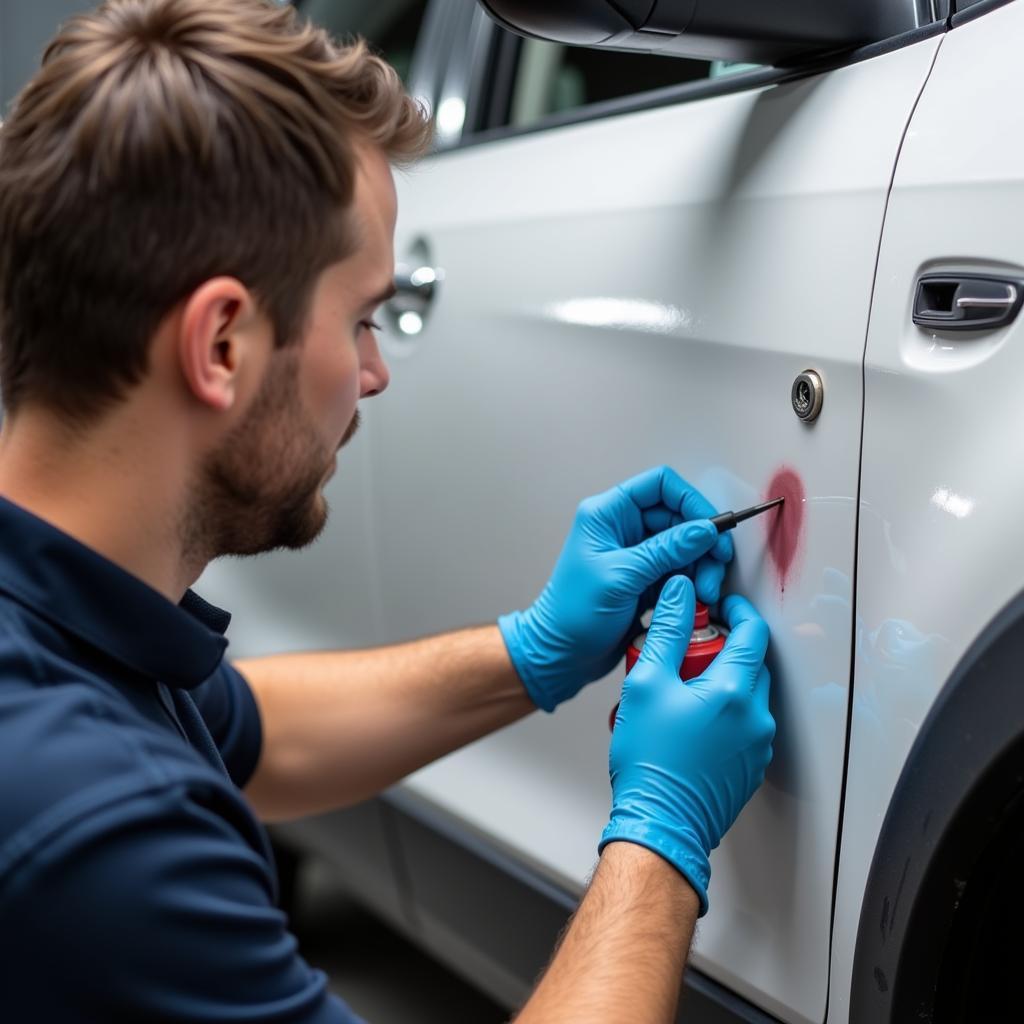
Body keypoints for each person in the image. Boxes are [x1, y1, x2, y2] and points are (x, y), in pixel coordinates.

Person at [0, 1, 775, 1021]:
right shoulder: (96, 831)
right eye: (362, 317)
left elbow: (258, 733)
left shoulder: (68, 642)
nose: (374, 372)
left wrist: (537, 651)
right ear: (221, 344)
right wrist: (661, 834)